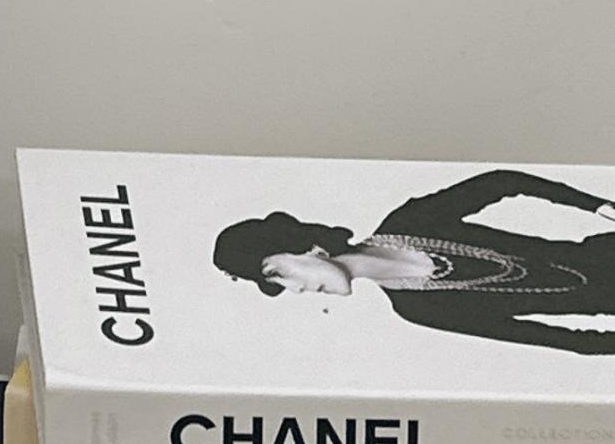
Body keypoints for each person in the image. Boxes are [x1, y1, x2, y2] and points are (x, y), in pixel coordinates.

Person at [214, 166, 615, 346]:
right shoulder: (417, 309)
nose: (295, 291)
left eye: (276, 274)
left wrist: (598, 206)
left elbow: (503, 182)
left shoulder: (411, 221)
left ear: (301, 246)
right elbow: (555, 339)